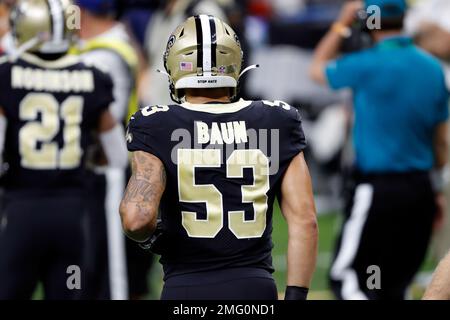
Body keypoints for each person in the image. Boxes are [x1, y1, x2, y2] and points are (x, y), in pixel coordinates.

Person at [120, 14, 318, 300]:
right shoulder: (277, 119)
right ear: (235, 63)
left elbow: (136, 218)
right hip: (254, 289)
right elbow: (305, 220)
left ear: (176, 65)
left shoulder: (154, 123)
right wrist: (296, 296)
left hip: (186, 290)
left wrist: (151, 238)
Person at [310, 0, 449, 300]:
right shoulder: (431, 67)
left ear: (368, 21)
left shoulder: (366, 63)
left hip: (378, 190)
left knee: (349, 282)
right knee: (394, 286)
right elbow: (441, 141)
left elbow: (317, 69)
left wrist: (341, 23)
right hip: (421, 189)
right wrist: (435, 187)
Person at [0, 0, 127, 299]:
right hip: (73, 216)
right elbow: (118, 156)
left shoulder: (7, 75)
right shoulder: (93, 76)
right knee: (69, 291)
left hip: (22, 211)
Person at [73, 0, 150, 300]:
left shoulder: (105, 54)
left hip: (110, 172)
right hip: (104, 171)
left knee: (112, 271)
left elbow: (101, 118)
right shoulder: (111, 42)